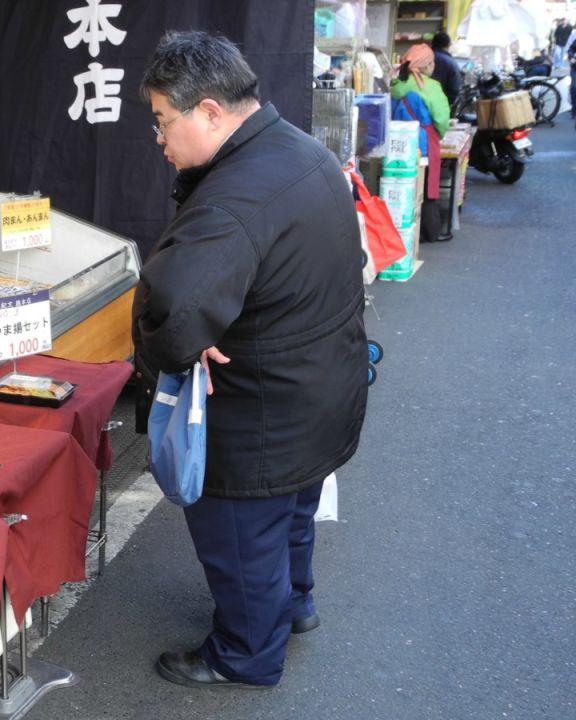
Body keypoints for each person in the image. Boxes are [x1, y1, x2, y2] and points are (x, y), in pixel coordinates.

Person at [131, 31, 367, 689]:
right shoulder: (299, 150)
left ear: (209, 111)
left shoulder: (236, 194)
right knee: (291, 516)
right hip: (322, 385)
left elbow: (174, 308)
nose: (158, 140)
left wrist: (164, 350)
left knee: (242, 538)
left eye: (161, 121)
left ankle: (244, 653)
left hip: (263, 405)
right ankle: (295, 606)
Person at [391, 44, 448, 243]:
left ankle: (406, 229)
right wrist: (439, 134)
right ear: (424, 66)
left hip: (400, 142)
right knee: (428, 186)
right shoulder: (431, 87)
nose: (434, 66)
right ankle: (430, 232)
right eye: (431, 62)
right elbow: (441, 118)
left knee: (405, 184)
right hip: (424, 140)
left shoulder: (396, 85)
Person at [429, 32, 462, 111]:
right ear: (448, 45)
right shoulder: (451, 62)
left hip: (422, 104)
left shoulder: (423, 58)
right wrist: (447, 104)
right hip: (441, 106)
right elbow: (454, 88)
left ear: (432, 43)